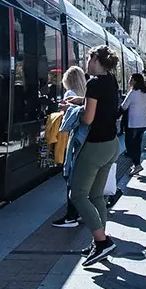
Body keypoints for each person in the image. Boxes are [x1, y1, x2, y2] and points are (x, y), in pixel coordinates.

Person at [70, 46, 124, 266]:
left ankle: (102, 242)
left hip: (95, 146)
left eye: (90, 59)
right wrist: (79, 102)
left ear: (98, 61)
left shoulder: (93, 83)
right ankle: (98, 242)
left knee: (78, 195)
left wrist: (74, 111)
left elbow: (88, 119)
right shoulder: (110, 81)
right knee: (96, 195)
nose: (87, 62)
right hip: (111, 145)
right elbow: (100, 104)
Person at [50, 65, 91, 229]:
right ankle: (78, 212)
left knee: (70, 177)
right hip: (83, 140)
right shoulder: (86, 94)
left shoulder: (69, 95)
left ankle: (71, 216)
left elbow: (67, 119)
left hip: (70, 138)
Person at [121, 73, 146, 170]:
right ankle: (136, 164)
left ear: (135, 81)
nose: (129, 81)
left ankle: (137, 164)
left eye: (131, 79)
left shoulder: (132, 93)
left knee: (130, 145)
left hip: (133, 123)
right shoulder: (145, 93)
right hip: (143, 123)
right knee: (137, 144)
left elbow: (124, 107)